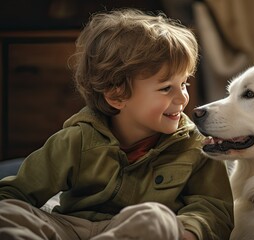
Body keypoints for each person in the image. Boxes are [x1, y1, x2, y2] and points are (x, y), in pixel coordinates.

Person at [0, 9, 233, 240]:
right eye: (166, 88)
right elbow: (17, 193)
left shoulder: (195, 146)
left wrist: (188, 232)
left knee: (157, 218)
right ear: (117, 96)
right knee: (8, 212)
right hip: (70, 227)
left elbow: (213, 208)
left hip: (137, 230)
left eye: (183, 83)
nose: (183, 97)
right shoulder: (76, 140)